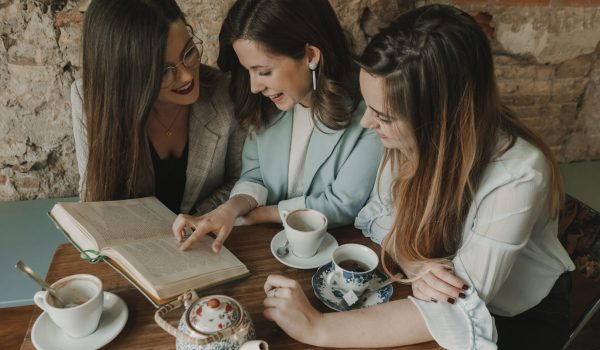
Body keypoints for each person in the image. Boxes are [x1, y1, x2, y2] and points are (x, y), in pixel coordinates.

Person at [261, 5, 575, 349]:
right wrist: (419, 266)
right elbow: (379, 216)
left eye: (383, 115)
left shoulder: (519, 176)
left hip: (516, 319)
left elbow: (459, 308)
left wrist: (316, 327)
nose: (366, 123)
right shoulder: (408, 135)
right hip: (433, 290)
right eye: (369, 106)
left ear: (439, 119)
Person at [172, 0, 383, 253]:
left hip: (337, 252)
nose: (254, 86)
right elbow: (255, 175)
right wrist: (230, 209)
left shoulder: (370, 110)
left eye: (263, 71)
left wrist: (257, 215)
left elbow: (341, 205)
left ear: (311, 55)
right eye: (248, 70)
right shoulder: (264, 106)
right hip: (270, 249)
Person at [71, 0, 243, 214]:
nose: (187, 75)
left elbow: (240, 180)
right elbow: (94, 196)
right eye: (163, 71)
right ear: (124, 76)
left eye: (188, 52)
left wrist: (197, 221)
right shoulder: (89, 99)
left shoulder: (225, 94)